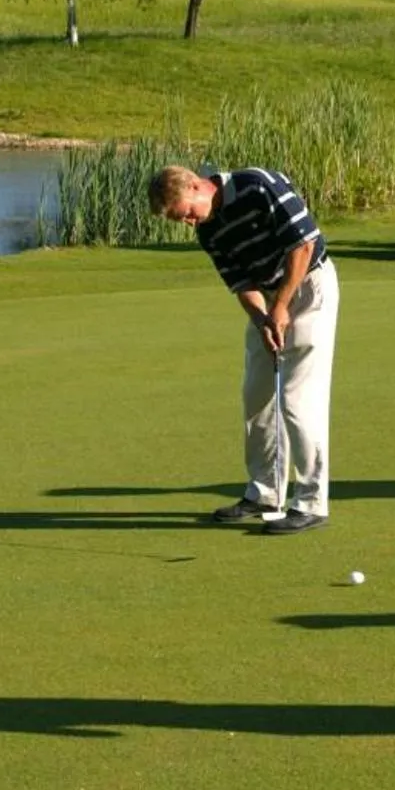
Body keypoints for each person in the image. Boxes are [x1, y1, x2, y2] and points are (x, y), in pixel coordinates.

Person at [150, 164, 340, 535]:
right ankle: (266, 493)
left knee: (297, 400)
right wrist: (263, 319)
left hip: (308, 287)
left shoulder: (257, 185)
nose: (189, 223)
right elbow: (241, 281)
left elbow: (303, 245)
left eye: (187, 213)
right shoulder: (208, 230)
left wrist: (282, 307)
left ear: (196, 185)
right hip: (269, 299)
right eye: (180, 220)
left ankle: (311, 502)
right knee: (257, 396)